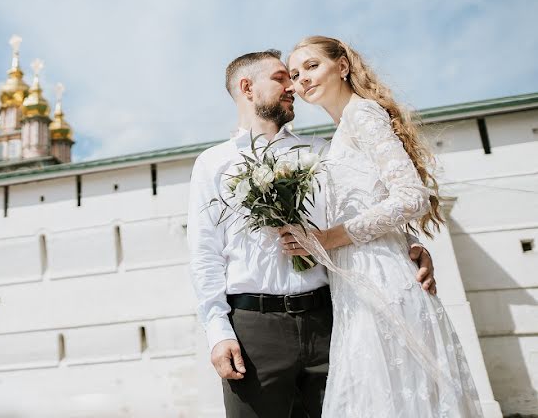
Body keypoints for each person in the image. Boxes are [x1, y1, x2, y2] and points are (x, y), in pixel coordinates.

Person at [187, 49, 436, 418]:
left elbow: (364, 204)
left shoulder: (321, 152)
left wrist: (408, 244)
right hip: (254, 332)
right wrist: (218, 331)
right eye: (280, 78)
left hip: (331, 321)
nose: (293, 86)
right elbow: (205, 254)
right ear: (247, 88)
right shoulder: (213, 163)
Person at [279, 36, 482, 417]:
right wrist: (409, 241)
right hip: (356, 283)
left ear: (342, 66)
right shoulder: (337, 135)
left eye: (311, 66)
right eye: (294, 73)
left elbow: (411, 196)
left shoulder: (363, 114)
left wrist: (326, 239)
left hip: (383, 280)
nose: (302, 78)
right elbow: (375, 198)